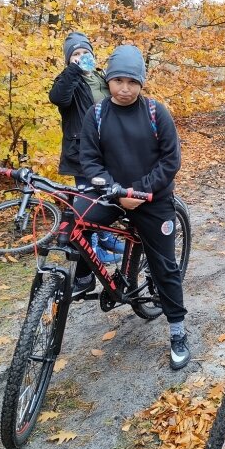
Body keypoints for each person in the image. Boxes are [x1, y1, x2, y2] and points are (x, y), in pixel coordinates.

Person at [77, 45, 190, 370]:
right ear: (108, 80)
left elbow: (171, 161)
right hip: (112, 194)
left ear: (141, 83)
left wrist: (137, 192)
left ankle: (178, 331)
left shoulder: (157, 114)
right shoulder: (96, 115)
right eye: (118, 81)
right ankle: (82, 278)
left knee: (164, 266)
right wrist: (113, 189)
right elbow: (90, 160)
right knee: (75, 220)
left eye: (131, 81)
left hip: (153, 199)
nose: (124, 88)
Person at [49, 32, 123, 263]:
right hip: (81, 151)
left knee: (106, 196)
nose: (81, 57)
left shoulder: (102, 77)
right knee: (88, 202)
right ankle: (92, 252)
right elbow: (59, 98)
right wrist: (74, 70)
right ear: (69, 59)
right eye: (76, 54)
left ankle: (106, 239)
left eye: (85, 53)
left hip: (107, 148)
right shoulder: (68, 80)